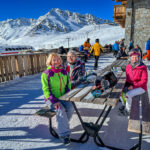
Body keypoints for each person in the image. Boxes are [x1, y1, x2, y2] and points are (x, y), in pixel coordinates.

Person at [41, 53, 74, 145]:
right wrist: (54, 101)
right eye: (54, 60)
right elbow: (46, 90)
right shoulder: (46, 74)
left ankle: (63, 125)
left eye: (58, 59)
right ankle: (64, 135)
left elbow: (68, 85)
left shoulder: (64, 72)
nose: (57, 61)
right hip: (51, 99)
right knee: (61, 110)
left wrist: (67, 95)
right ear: (50, 62)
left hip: (63, 96)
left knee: (71, 108)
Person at [119, 48, 148, 116]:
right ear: (130, 57)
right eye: (133, 57)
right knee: (120, 92)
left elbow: (144, 81)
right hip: (131, 84)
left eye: (136, 57)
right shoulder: (128, 66)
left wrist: (133, 86)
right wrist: (124, 84)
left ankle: (128, 110)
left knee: (128, 94)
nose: (134, 59)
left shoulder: (142, 67)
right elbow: (127, 77)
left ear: (139, 57)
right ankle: (125, 105)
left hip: (141, 87)